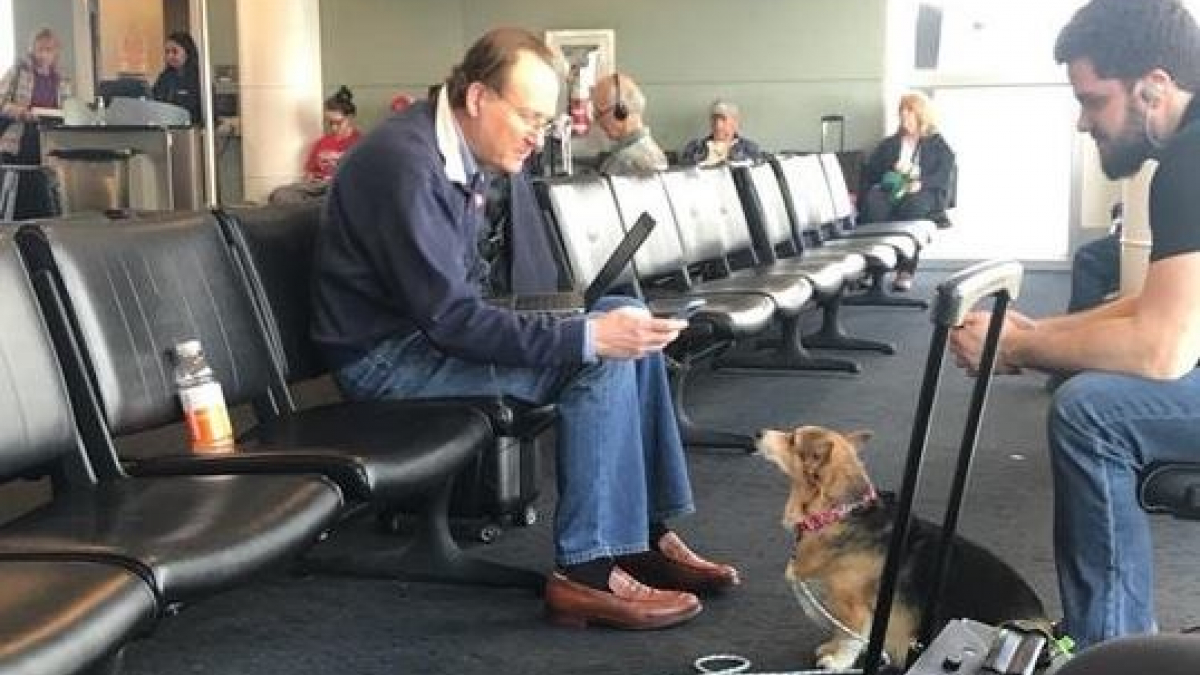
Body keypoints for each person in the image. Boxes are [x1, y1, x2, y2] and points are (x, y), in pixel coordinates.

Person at [311, 27, 738, 630]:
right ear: (480, 98)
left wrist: (585, 322)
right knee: (601, 351)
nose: (539, 135)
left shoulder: (462, 152)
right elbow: (452, 322)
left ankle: (641, 532)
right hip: (386, 363)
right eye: (530, 117)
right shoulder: (403, 165)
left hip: (423, 337)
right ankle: (585, 572)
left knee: (623, 312)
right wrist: (582, 336)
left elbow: (470, 297)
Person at [949, 0, 1200, 650]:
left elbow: (1161, 346)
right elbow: (1151, 303)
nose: (1084, 121)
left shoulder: (1191, 162)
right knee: (1093, 388)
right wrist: (1036, 337)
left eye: (1093, 100)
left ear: (1153, 86)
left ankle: (1112, 651)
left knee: (1094, 411)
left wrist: (1021, 347)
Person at [859, 91, 955, 291]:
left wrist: (920, 183)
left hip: (923, 193)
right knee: (874, 203)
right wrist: (888, 177)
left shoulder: (938, 145)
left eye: (909, 112)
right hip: (892, 191)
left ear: (921, 115)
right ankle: (873, 267)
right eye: (902, 112)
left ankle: (906, 269)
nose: (905, 116)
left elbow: (943, 176)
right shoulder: (890, 144)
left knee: (914, 206)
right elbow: (871, 172)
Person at [0, 27, 65, 219]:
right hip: (20, 139)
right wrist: (22, 113)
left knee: (44, 190)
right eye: (41, 49)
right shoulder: (19, 72)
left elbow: (67, 107)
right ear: (33, 49)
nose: (45, 54)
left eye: (49, 49)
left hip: (47, 141)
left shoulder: (61, 79)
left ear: (56, 51)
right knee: (21, 190)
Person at [268, 86, 362, 205]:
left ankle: (314, 207)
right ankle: (312, 206)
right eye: (330, 123)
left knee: (341, 197)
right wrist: (310, 179)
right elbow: (309, 174)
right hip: (318, 187)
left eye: (338, 123)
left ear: (350, 118)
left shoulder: (361, 143)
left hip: (340, 187)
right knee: (280, 194)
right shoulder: (322, 143)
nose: (333, 128)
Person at [589, 71, 669, 175]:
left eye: (599, 113)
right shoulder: (652, 151)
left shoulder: (626, 161)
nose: (597, 122)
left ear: (621, 110)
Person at [680, 99, 762, 166]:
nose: (718, 125)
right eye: (714, 119)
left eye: (723, 119)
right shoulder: (695, 147)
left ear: (735, 123)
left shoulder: (749, 148)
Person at [151, 31, 202, 125]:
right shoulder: (164, 77)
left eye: (175, 51)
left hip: (191, 131)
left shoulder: (199, 78)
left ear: (187, 52)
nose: (170, 56)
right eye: (167, 52)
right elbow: (154, 103)